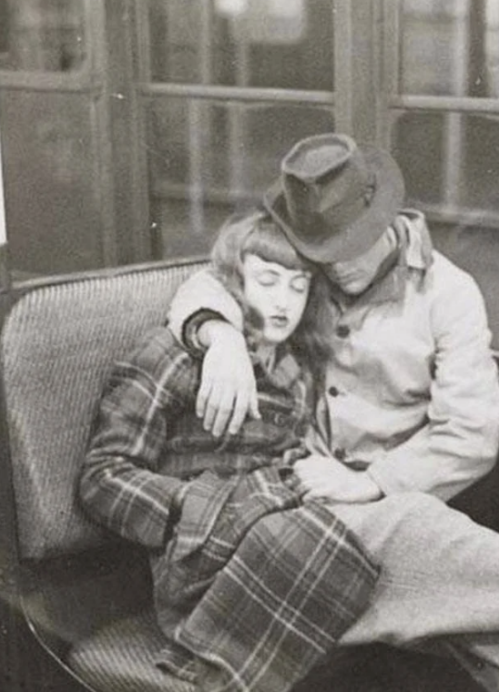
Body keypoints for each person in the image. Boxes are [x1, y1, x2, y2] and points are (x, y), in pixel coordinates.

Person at [167, 133, 499, 565]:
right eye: (324, 251)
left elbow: (470, 436)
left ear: (384, 219)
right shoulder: (304, 264)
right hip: (327, 491)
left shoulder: (449, 290)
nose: (337, 267)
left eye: (351, 246)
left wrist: (373, 482)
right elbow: (208, 281)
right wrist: (220, 336)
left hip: (432, 483)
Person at [78, 213, 380, 692]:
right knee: (392, 551)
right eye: (268, 281)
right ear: (234, 283)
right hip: (200, 572)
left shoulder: (296, 366)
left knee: (404, 529)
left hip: (278, 529)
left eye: (298, 287)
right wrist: (195, 506)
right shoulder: (174, 355)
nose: (284, 301)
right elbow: (101, 476)